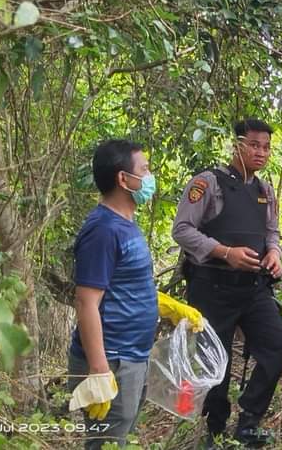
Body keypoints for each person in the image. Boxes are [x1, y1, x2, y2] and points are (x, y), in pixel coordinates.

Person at [68, 139, 203, 449]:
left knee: (121, 438)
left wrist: (167, 306)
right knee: (107, 444)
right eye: (145, 169)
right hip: (112, 360)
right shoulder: (103, 230)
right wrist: (99, 369)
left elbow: (125, 285)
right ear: (123, 178)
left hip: (133, 357)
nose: (150, 176)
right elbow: (86, 302)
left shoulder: (126, 224)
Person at [171, 119, 282, 449]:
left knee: (278, 344)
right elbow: (182, 229)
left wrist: (275, 254)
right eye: (254, 145)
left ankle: (249, 422)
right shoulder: (208, 183)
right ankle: (214, 430)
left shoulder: (265, 191)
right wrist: (225, 253)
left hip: (253, 288)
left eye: (266, 147)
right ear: (237, 145)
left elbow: (272, 232)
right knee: (215, 362)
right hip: (212, 287)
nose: (261, 152)